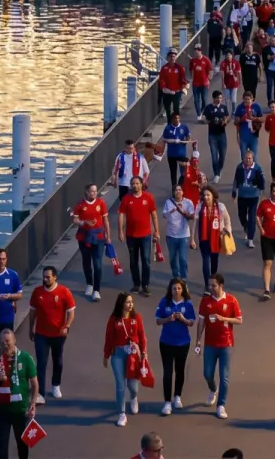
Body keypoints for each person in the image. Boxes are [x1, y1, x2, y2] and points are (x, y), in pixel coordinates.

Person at [196, 272, 242, 419]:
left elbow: (239, 320)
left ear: (221, 285)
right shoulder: (205, 301)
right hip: (210, 344)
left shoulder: (231, 300)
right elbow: (201, 321)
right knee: (207, 373)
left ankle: (221, 405)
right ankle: (213, 389)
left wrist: (224, 318)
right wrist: (198, 340)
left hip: (226, 344)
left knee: (225, 377)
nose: (211, 288)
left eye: (214, 285)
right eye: (209, 285)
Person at [0, 326, 40, 459]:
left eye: (8, 341)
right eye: (2, 342)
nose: (5, 345)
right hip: (1, 410)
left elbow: (35, 385)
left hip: (20, 410)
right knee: (2, 445)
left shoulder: (25, 358)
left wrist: (33, 403)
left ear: (14, 340)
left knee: (22, 444)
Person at [29, 265, 76, 399]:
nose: (45, 279)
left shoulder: (64, 292)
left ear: (55, 277)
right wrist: (30, 328)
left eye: (48, 277)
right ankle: (40, 393)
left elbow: (71, 312)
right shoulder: (37, 292)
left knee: (58, 361)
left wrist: (66, 326)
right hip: (41, 334)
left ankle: (56, 385)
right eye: (44, 277)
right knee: (41, 363)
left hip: (58, 334)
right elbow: (32, 313)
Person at [102, 292, 148, 426]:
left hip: (133, 354)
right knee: (120, 385)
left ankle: (133, 398)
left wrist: (144, 351)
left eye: (131, 302)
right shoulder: (114, 319)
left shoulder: (136, 317)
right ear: (121, 303)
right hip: (118, 354)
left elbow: (142, 335)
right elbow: (109, 338)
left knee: (133, 386)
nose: (130, 304)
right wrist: (106, 355)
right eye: (128, 302)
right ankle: (121, 414)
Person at [153, 277, 196, 416]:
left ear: (182, 290)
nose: (176, 291)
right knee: (167, 371)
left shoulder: (188, 304)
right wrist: (169, 319)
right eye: (174, 288)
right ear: (170, 290)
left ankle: (177, 396)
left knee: (180, 369)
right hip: (166, 342)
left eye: (178, 288)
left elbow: (191, 323)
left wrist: (182, 319)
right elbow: (158, 320)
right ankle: (167, 402)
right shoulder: (164, 302)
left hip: (183, 343)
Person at [119, 176, 159, 296]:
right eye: (133, 184)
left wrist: (156, 231)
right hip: (131, 235)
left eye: (137, 183)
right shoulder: (126, 199)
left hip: (145, 235)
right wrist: (120, 231)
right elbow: (121, 215)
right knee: (133, 261)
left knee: (146, 260)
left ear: (142, 185)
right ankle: (136, 284)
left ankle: (145, 285)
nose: (135, 185)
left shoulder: (148, 197)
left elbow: (154, 214)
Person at [73, 182, 110, 300]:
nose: (94, 193)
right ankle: (89, 283)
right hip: (84, 237)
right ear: (87, 192)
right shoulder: (80, 204)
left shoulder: (101, 203)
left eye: (95, 191)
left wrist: (108, 236)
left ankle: (96, 290)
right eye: (92, 191)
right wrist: (82, 222)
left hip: (98, 237)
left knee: (98, 264)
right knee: (86, 261)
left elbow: (105, 220)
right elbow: (75, 218)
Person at [196, 184, 230, 290]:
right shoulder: (200, 207)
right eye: (204, 195)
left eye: (208, 195)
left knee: (214, 261)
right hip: (204, 238)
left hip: (216, 238)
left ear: (213, 196)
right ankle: (207, 285)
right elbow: (195, 224)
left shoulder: (220, 207)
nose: (206, 197)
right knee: (206, 261)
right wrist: (192, 238)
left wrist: (227, 231)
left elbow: (227, 221)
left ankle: (213, 281)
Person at [233, 149, 267, 250]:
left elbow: (262, 182)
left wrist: (262, 194)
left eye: (250, 158)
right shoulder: (239, 167)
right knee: (241, 215)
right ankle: (246, 227)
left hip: (253, 196)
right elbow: (236, 180)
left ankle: (250, 239)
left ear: (253, 159)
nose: (248, 160)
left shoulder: (257, 168)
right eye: (246, 158)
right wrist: (234, 192)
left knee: (252, 217)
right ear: (243, 158)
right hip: (242, 196)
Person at [162, 182, 196, 283]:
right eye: (176, 190)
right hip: (171, 235)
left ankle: (183, 276)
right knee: (172, 258)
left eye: (179, 190)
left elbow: (192, 216)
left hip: (184, 235)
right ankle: (176, 275)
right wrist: (171, 211)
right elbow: (164, 215)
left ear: (183, 192)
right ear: (173, 192)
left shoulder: (188, 202)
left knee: (182, 258)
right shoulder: (168, 202)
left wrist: (184, 212)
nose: (178, 192)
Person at [203, 92, 232, 178]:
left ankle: (219, 169)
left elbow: (227, 117)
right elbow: (204, 117)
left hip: (222, 134)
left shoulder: (224, 107)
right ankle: (216, 174)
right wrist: (207, 122)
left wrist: (225, 121)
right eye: (218, 98)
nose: (219, 99)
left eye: (220, 98)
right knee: (214, 156)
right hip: (212, 135)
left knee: (222, 156)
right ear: (214, 98)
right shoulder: (209, 108)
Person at [163, 112, 191, 190]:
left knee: (183, 172)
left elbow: (188, 136)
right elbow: (164, 139)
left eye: (178, 118)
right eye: (175, 118)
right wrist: (172, 140)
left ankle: (181, 186)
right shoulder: (168, 128)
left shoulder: (184, 127)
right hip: (171, 154)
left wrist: (186, 141)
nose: (177, 120)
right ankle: (174, 188)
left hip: (181, 154)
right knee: (173, 172)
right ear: (172, 119)